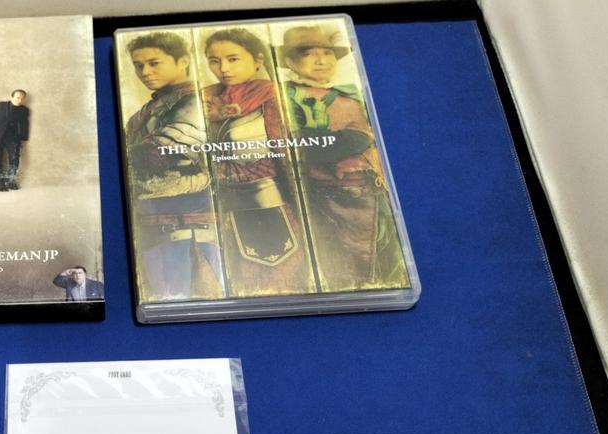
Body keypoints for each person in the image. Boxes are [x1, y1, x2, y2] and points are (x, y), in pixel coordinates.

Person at [278, 25, 408, 291]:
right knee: (333, 266)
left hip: (365, 192)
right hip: (318, 196)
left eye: (327, 53)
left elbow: (368, 138)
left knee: (383, 261)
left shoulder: (351, 96)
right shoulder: (284, 97)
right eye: (308, 53)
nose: (321, 60)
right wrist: (349, 140)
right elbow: (296, 144)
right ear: (290, 61)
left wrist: (361, 144)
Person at [200, 27, 314, 296]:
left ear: (258, 60)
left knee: (279, 282)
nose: (223, 68)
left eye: (233, 59)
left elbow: (287, 154)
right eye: (214, 61)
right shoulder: (204, 99)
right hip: (221, 209)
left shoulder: (272, 96)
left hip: (270, 204)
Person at [123, 32, 225, 302]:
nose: (145, 72)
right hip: (151, 222)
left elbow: (160, 153)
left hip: (191, 224)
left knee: (191, 298)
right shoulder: (150, 108)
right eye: (138, 65)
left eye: (154, 63)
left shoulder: (196, 101)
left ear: (183, 61)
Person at [0, 89, 31, 192]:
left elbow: (25, 125)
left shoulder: (24, 110)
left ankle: (10, 181)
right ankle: (0, 184)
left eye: (22, 98)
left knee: (14, 159)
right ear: (12, 96)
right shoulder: (0, 105)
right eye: (18, 97)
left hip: (13, 138)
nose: (20, 100)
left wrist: (22, 139)